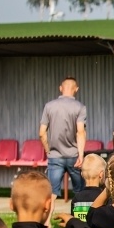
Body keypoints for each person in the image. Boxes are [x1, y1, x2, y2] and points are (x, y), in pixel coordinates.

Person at [39, 76, 87, 207]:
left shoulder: (49, 106)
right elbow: (80, 132)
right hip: (74, 156)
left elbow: (42, 133)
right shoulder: (80, 107)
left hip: (55, 156)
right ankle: (80, 222)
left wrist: (48, 150)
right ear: (76, 89)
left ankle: (46, 224)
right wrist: (81, 155)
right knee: (79, 192)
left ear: (61, 88)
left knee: (51, 194)